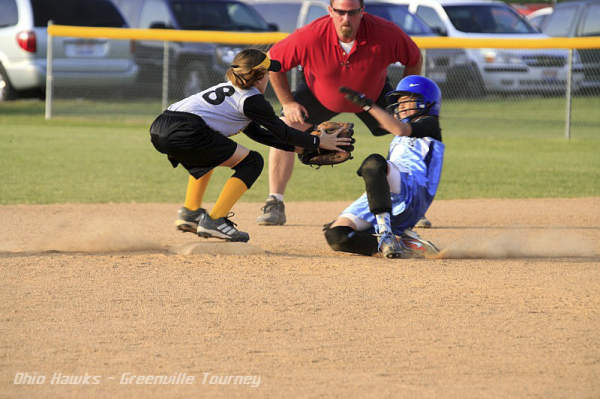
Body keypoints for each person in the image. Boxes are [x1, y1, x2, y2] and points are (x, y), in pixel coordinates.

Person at [149, 49, 351, 242]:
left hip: (161, 126)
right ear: (260, 76)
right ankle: (215, 220)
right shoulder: (252, 99)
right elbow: (283, 132)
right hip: (187, 130)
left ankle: (190, 212)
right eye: (268, 72)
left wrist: (302, 148)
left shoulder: (230, 92)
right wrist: (317, 142)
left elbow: (261, 135)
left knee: (208, 157)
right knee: (252, 162)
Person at [255, 0, 425, 227]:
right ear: (330, 11)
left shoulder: (385, 33)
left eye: (352, 12)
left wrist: (404, 100)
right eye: (340, 12)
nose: (346, 18)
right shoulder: (310, 35)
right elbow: (273, 62)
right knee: (283, 127)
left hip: (371, 94)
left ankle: (412, 205)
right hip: (319, 93)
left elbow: (413, 59)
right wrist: (288, 102)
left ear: (362, 11)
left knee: (408, 131)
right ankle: (275, 202)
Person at [323, 76, 444, 258]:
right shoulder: (399, 135)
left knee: (373, 164)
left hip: (412, 187)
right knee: (336, 235)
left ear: (426, 102)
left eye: (407, 100)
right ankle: (403, 244)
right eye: (399, 102)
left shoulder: (430, 123)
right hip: (391, 192)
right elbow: (390, 129)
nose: (401, 106)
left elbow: (400, 129)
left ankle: (386, 234)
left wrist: (367, 105)